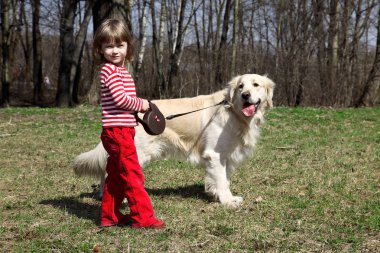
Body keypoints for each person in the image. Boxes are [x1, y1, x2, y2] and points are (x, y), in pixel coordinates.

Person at [92, 19, 165, 229]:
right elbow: (120, 99)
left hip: (122, 131)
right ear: (100, 49)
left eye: (119, 45)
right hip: (117, 133)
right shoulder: (110, 71)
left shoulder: (121, 71)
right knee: (133, 175)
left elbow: (123, 103)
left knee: (116, 175)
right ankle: (143, 218)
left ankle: (110, 216)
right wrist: (142, 104)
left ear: (127, 46)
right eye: (109, 46)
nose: (115, 51)